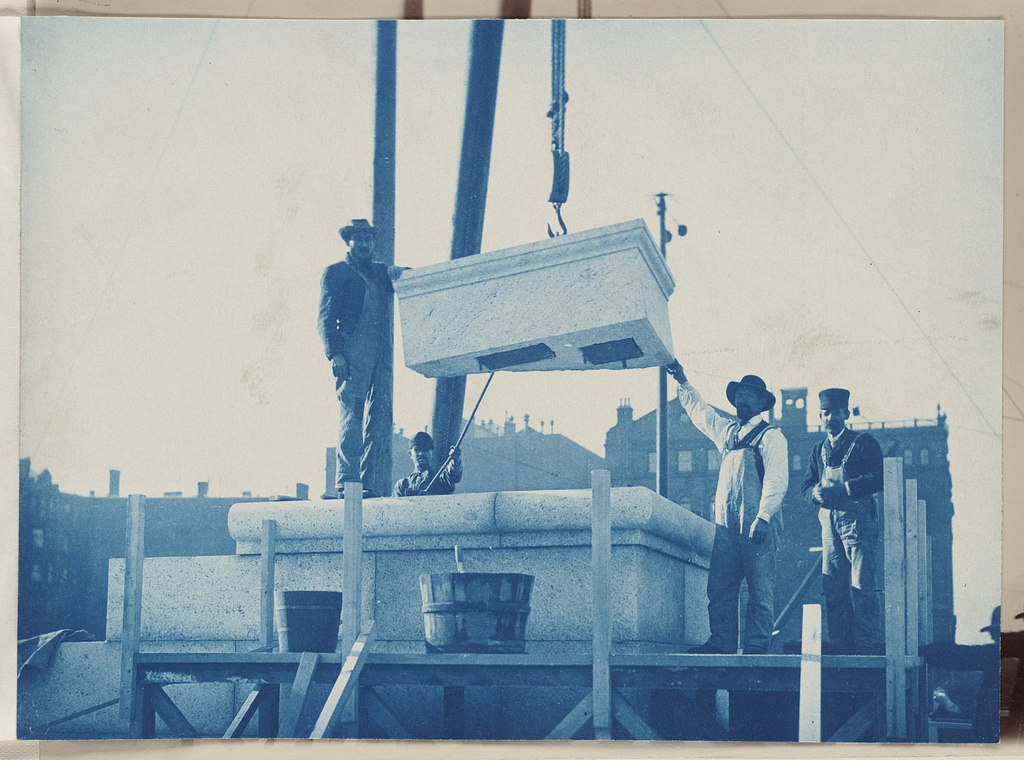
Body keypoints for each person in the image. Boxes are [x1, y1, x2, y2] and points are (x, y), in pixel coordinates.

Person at [666, 360, 789, 654]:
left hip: (757, 523)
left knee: (760, 588)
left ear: (761, 402)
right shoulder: (728, 433)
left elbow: (777, 479)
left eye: (749, 394)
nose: (742, 398)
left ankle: (757, 644)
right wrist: (683, 381)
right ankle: (721, 641)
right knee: (720, 585)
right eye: (739, 394)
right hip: (726, 525)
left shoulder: (771, 436)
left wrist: (763, 516)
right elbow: (702, 414)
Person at [318, 219, 407, 498]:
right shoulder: (337, 272)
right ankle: (346, 481)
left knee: (380, 416)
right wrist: (335, 354)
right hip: (352, 353)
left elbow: (402, 274)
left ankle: (370, 482)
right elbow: (325, 317)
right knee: (352, 414)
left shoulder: (379, 273)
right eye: (360, 239)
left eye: (369, 239)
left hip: (381, 354)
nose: (366, 244)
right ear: (349, 242)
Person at [800, 388, 883, 655]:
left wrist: (845, 489)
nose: (830, 418)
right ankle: (841, 643)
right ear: (820, 416)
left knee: (862, 583)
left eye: (836, 412)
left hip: (857, 522)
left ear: (846, 414)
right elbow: (805, 485)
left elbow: (879, 477)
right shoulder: (818, 449)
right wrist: (814, 494)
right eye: (825, 413)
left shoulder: (863, 442)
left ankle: (866, 643)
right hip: (829, 524)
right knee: (833, 586)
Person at [920, 606, 1001, 743]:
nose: (993, 637)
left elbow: (962, 656)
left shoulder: (999, 654)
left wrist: (921, 650)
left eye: (997, 633)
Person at [393, 432, 464, 497]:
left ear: (432, 453)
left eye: (425, 450)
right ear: (410, 454)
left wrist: (455, 459)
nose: (421, 453)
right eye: (417, 450)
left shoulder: (442, 478)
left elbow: (454, 475)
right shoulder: (402, 485)